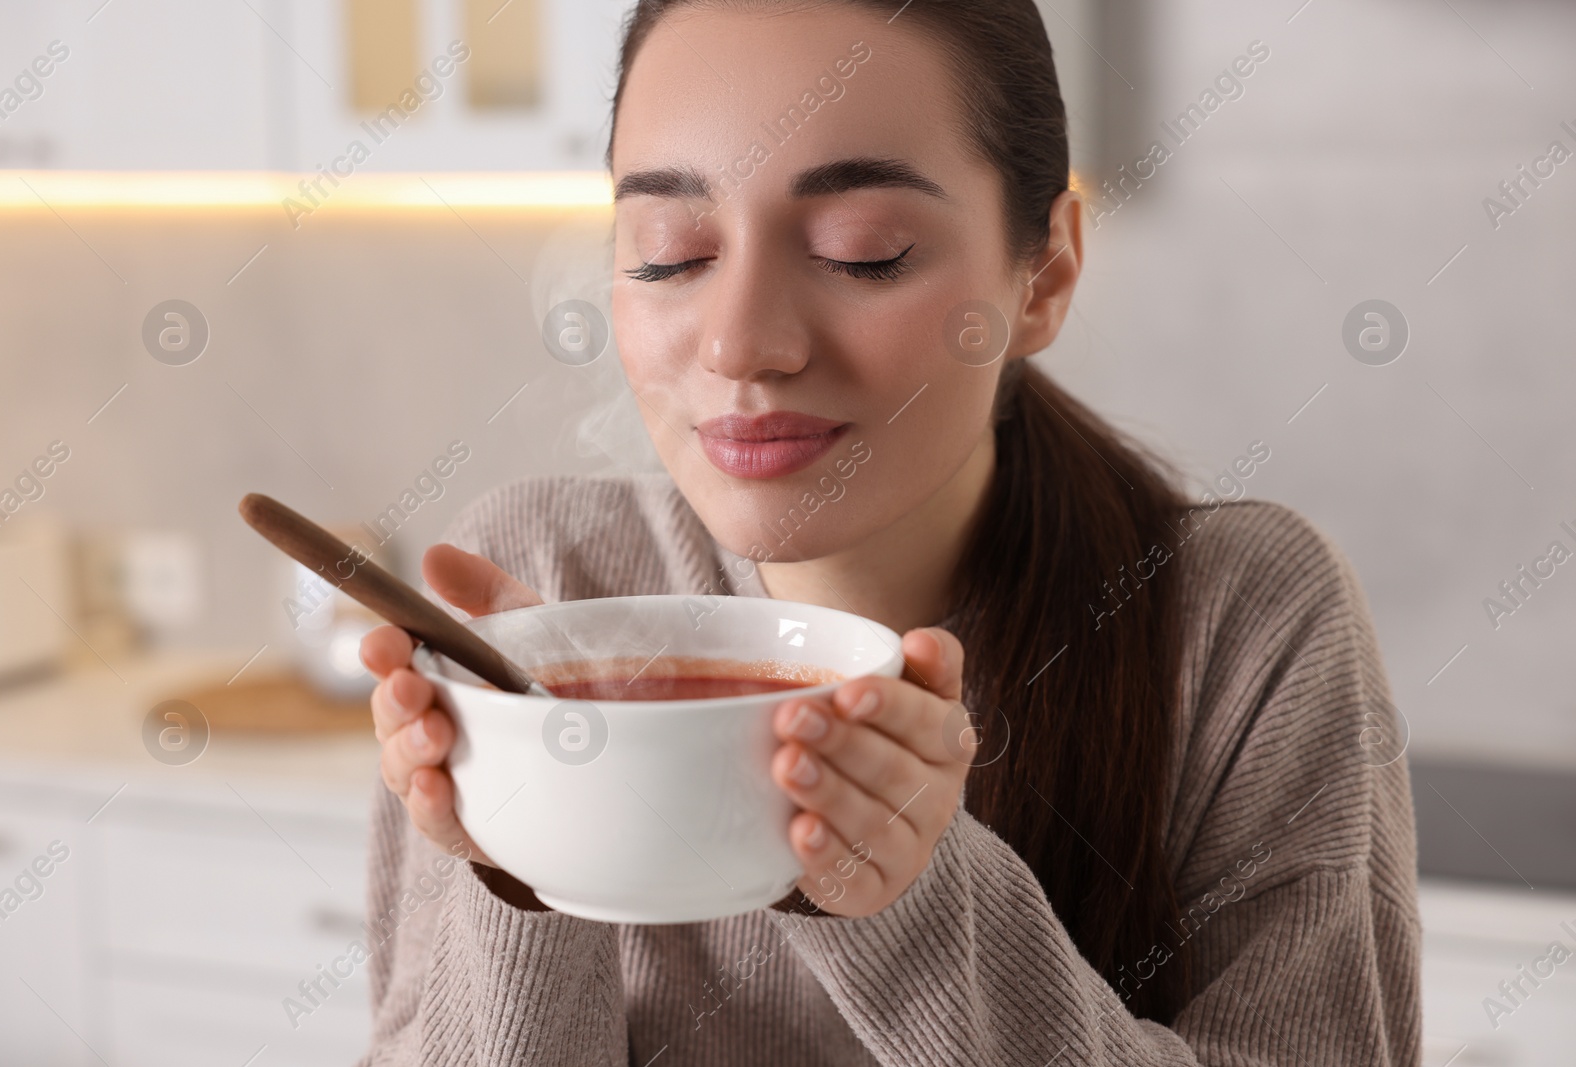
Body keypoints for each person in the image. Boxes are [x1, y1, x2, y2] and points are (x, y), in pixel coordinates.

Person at [356, 1, 1420, 1062]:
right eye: (671, 254)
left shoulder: (1241, 622)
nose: (739, 345)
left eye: (863, 253)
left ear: (1041, 275)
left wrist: (918, 898)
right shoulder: (544, 595)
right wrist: (529, 848)